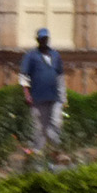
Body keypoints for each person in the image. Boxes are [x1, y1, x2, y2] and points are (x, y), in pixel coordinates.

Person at [19, 28, 66, 158]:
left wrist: (63, 96)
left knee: (56, 123)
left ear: (48, 39)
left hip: (55, 96)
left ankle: (57, 148)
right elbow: (24, 76)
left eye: (45, 39)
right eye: (41, 39)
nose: (44, 41)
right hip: (38, 97)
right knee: (40, 126)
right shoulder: (30, 56)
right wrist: (26, 94)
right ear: (37, 40)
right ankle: (38, 153)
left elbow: (60, 76)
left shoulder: (55, 55)